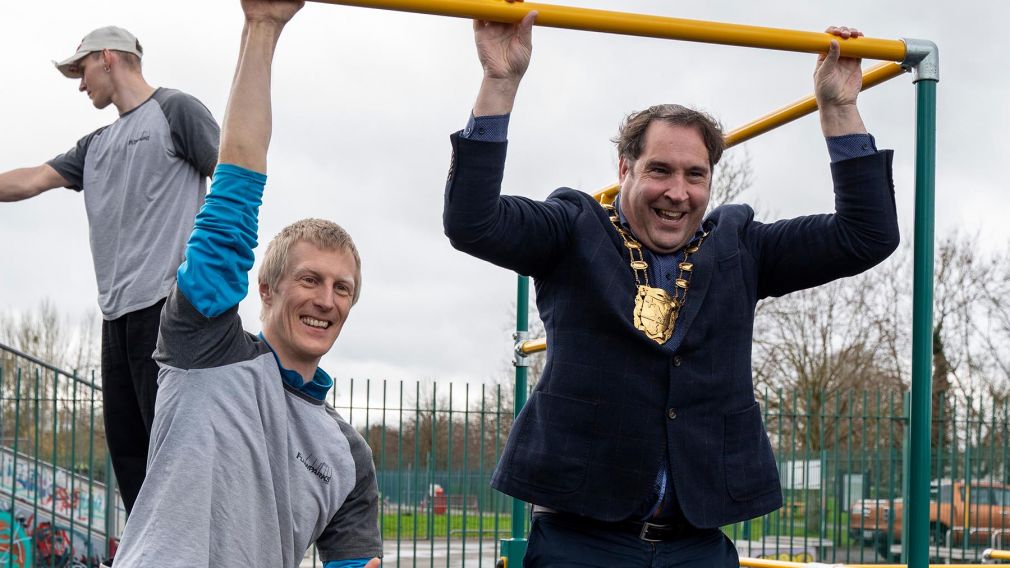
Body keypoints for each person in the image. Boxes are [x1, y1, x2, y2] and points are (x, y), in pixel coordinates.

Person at [443, 11, 899, 567]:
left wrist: (840, 108)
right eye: (660, 170)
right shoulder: (574, 229)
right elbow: (472, 221)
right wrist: (499, 83)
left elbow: (867, 235)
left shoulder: (740, 247)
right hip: (582, 540)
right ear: (625, 167)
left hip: (697, 544)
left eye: (695, 174)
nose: (677, 192)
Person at [107, 1, 382, 566]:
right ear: (267, 288)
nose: (326, 300)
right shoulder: (204, 347)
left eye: (342, 288)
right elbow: (232, 195)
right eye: (310, 279)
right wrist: (263, 27)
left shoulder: (348, 454)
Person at [0, 26, 220, 514]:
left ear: (107, 58)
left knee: (175, 458)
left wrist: (214, 277)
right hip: (116, 317)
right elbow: (34, 178)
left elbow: (231, 176)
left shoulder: (177, 110)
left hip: (169, 311)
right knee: (131, 464)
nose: (81, 85)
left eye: (82, 71)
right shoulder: (94, 145)